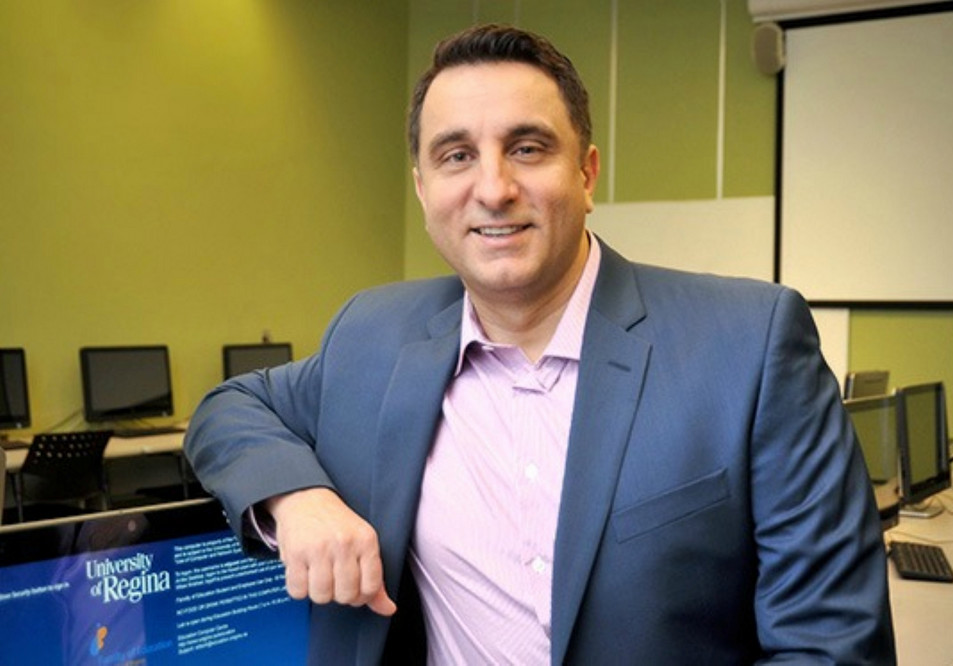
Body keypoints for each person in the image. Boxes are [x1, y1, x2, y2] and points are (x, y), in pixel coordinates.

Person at [185, 24, 895, 665]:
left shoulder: (750, 344)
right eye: (456, 155)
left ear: (586, 174)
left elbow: (832, 648)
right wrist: (299, 497)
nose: (493, 189)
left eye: (527, 148)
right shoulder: (374, 333)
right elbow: (230, 407)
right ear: (424, 188)